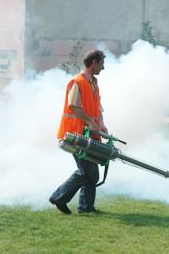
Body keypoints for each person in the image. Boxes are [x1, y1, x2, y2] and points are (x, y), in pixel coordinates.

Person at [49, 50, 107, 214]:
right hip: (75, 135)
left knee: (92, 174)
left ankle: (86, 207)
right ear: (94, 62)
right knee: (86, 172)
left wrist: (101, 124)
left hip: (89, 134)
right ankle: (59, 197)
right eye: (102, 63)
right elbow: (73, 106)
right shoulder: (78, 82)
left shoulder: (93, 83)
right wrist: (90, 122)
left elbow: (98, 107)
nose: (103, 68)